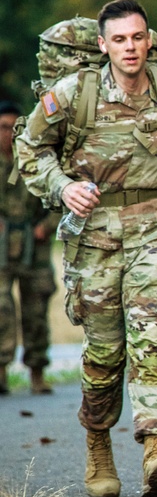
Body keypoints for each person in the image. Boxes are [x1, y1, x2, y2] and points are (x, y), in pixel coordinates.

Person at [15, 0, 157, 497]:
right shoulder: (72, 93)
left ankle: (155, 448)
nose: (130, 48)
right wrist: (61, 186)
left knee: (151, 331)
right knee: (104, 350)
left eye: (137, 37)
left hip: (156, 229)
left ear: (149, 40)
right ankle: (98, 442)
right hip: (94, 236)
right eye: (119, 39)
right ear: (103, 45)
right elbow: (29, 148)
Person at [0, 101, 59, 395]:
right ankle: (1, 371)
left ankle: (37, 371)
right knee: (1, 308)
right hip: (1, 245)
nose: (9, 134)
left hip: (33, 244)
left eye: (14, 128)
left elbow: (60, 197)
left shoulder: (35, 158)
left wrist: (44, 228)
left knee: (36, 309)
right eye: (3, 127)